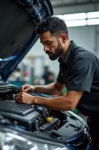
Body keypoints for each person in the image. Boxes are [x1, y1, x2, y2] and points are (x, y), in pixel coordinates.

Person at [15, 17, 99, 149]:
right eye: (43, 44)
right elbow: (57, 88)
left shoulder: (82, 60)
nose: (45, 49)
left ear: (63, 38)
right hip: (94, 119)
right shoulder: (65, 60)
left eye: (48, 43)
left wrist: (33, 100)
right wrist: (34, 87)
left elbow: (69, 103)